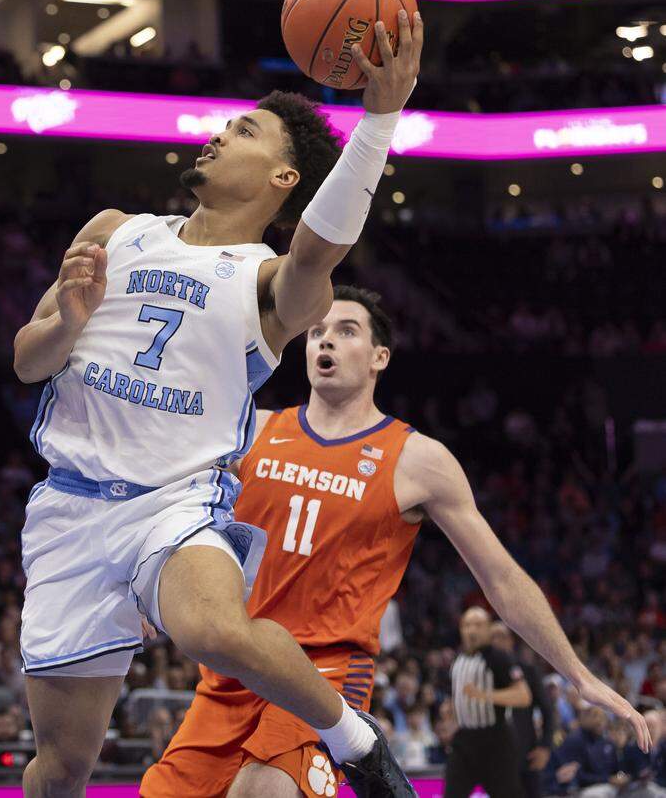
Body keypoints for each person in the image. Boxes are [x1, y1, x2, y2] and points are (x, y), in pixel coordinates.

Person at [14, 11, 426, 797]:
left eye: (243, 132)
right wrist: (66, 320)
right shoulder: (115, 231)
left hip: (173, 502)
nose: (217, 135)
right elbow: (26, 362)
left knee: (211, 628)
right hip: (67, 509)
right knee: (62, 768)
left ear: (283, 179)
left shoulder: (271, 283)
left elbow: (320, 246)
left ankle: (356, 742)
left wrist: (378, 122)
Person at [141, 288, 650, 798]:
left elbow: (501, 577)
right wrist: (149, 584)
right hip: (236, 669)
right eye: (317, 331)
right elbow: (176, 514)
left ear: (379, 357)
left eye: (346, 331)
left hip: (327, 670)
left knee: (263, 790)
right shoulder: (252, 432)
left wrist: (578, 675)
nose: (327, 341)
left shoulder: (417, 459)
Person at [443, 608, 531, 798]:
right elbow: (459, 697)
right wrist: (451, 712)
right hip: (464, 740)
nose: (472, 630)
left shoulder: (498, 658)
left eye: (478, 625)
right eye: (467, 625)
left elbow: (523, 696)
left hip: (495, 740)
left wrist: (484, 695)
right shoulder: (458, 660)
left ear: (489, 629)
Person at [490, 621, 555, 798]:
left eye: (501, 636)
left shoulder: (528, 671)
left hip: (527, 756)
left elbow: (548, 711)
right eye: (492, 637)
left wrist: (545, 746)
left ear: (511, 641)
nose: (496, 641)